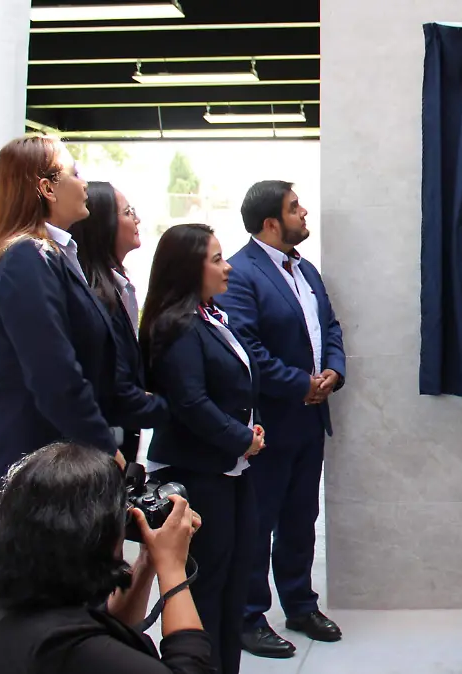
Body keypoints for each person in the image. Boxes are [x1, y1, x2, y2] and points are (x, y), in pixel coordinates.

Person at [216, 181, 345, 657]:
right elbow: (247, 349)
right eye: (295, 207)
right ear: (271, 222)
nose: (304, 211)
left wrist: (334, 371)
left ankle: (300, 604)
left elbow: (328, 325)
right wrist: (300, 385)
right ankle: (250, 617)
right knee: (259, 522)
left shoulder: (305, 269)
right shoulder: (240, 273)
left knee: (300, 518)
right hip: (267, 426)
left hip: (311, 421)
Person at [0, 135, 122, 514]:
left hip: (43, 455)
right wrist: (104, 444)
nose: (85, 183)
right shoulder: (27, 256)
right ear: (47, 188)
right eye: (75, 173)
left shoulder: (52, 254)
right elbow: (53, 372)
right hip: (24, 459)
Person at [140, 223, 265, 674]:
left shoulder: (210, 316)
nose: (227, 266)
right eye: (216, 259)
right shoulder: (176, 326)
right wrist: (240, 438)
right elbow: (190, 402)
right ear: (189, 268)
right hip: (197, 475)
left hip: (229, 471)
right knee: (207, 590)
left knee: (236, 583)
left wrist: (247, 433)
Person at [0, 442, 210, 673]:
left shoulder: (1, 597)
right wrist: (172, 567)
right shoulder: (66, 646)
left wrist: (148, 561)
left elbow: (113, 627)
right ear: (94, 537)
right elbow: (192, 666)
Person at [69, 182, 168, 463]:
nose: (136, 219)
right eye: (128, 212)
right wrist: (173, 408)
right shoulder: (93, 295)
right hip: (99, 451)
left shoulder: (118, 285)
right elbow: (116, 388)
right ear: (103, 225)